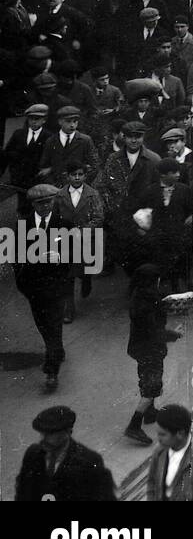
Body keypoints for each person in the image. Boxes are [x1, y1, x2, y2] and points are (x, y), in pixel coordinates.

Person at [16, 183, 72, 391]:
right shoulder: (23, 227)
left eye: (49, 202)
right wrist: (23, 285)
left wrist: (60, 257)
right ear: (33, 205)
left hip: (56, 286)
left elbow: (74, 256)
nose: (45, 207)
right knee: (44, 326)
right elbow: (17, 259)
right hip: (34, 289)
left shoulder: (64, 225)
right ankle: (57, 350)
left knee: (54, 326)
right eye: (40, 204)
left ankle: (51, 371)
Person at [123, 264, 182, 446]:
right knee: (152, 385)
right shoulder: (148, 302)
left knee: (146, 378)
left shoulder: (139, 297)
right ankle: (134, 425)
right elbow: (153, 331)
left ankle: (150, 412)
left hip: (140, 347)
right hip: (150, 348)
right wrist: (173, 334)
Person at [15, 405, 117, 501]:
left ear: (68, 432)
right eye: (42, 433)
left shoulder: (89, 462)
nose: (43, 438)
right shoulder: (32, 454)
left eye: (50, 434)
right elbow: (22, 491)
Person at [146, 404, 193, 501]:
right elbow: (152, 485)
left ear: (180, 433)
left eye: (163, 434)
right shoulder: (160, 450)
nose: (158, 439)